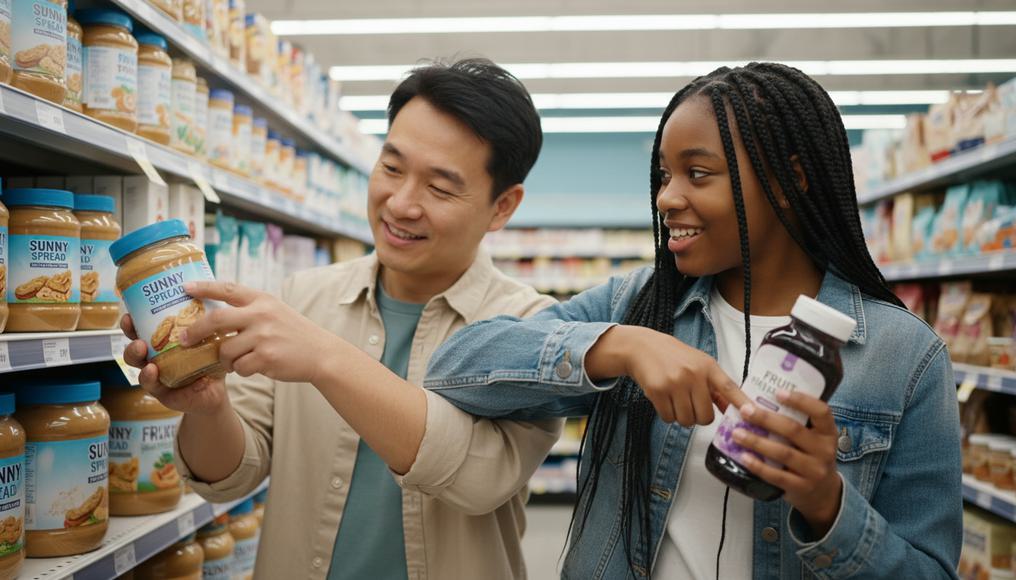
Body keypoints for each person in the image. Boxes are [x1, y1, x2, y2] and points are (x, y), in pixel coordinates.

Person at [425, 62, 962, 579]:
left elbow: (930, 569)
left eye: (697, 174)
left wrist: (828, 506)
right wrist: (620, 346)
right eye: (664, 175)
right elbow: (453, 367)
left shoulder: (906, 358)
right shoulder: (637, 305)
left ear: (789, 179)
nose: (666, 198)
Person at [120, 58, 560, 580]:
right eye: (392, 167)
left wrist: (325, 358)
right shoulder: (302, 296)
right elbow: (228, 477)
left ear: (502, 207)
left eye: (439, 188)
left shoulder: (533, 328)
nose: (400, 204)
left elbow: (479, 480)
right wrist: (209, 406)